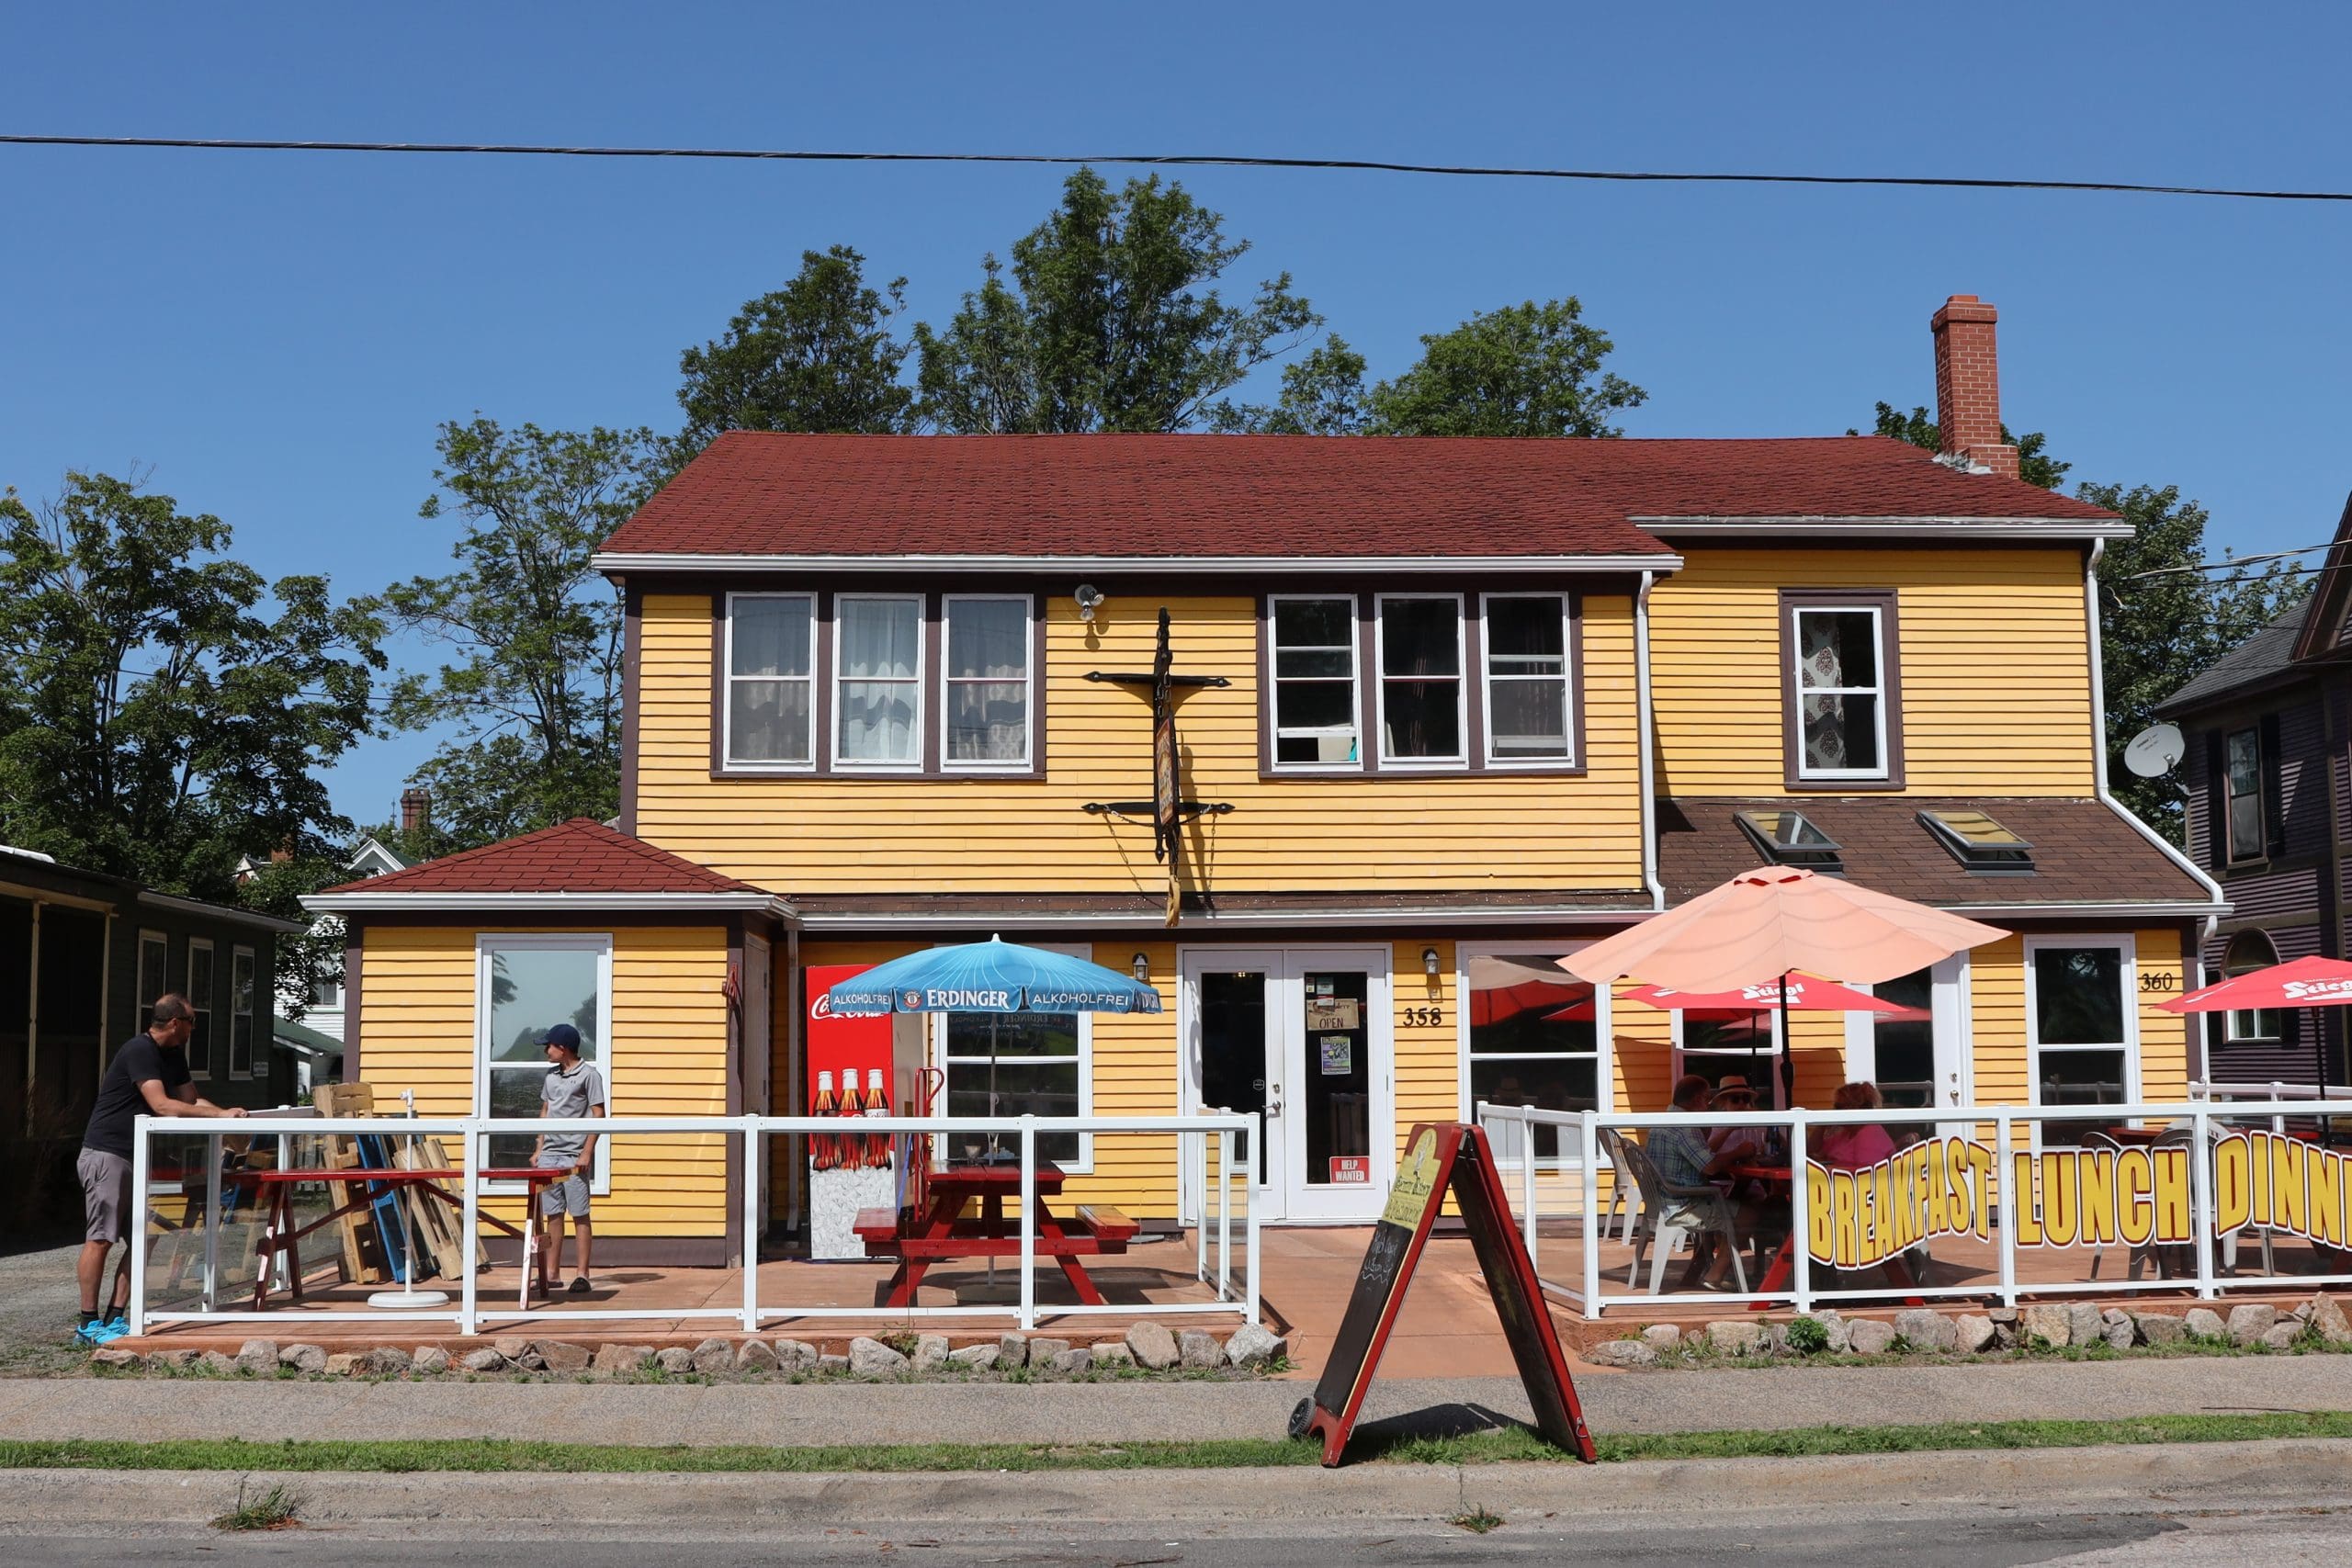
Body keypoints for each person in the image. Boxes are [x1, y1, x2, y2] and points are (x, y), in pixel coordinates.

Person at [75, 995, 249, 1345]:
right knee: (101, 1238)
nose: (194, 1029)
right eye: (191, 1022)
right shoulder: (139, 1050)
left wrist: (228, 1118)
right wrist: (218, 1116)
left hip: (137, 1153)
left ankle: (116, 1317)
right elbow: (162, 1105)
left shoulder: (172, 1055)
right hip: (107, 1155)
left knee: (146, 1236)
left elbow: (189, 1101)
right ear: (175, 1023)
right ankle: (87, 1323)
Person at [1644, 1074, 1767, 1289]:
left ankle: (1712, 1268)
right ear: (1698, 1099)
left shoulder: (1666, 1120)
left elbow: (1702, 1154)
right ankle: (1715, 1275)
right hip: (1684, 1204)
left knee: (1739, 1201)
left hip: (1665, 1200)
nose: (1708, 1104)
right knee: (1749, 1213)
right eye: (1706, 1099)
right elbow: (1709, 1166)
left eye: (1745, 1099)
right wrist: (1738, 1151)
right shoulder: (1684, 1127)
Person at [533, 1023, 606, 1295]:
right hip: (550, 1156)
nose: (545, 1051)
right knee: (553, 1214)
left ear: (562, 1048)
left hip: (574, 1155)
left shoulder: (589, 1075)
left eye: (548, 1046)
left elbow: (599, 1115)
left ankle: (582, 1274)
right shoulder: (551, 1077)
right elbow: (545, 1110)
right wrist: (539, 1147)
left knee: (580, 1214)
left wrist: (587, 1151)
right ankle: (552, 1273)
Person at [1816, 1081, 1897, 1170]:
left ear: (1854, 1107)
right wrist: (1823, 1125)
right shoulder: (1847, 1133)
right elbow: (1815, 1151)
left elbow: (1867, 1173)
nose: (1834, 1111)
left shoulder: (1869, 1133)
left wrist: (1830, 1169)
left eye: (1838, 1107)